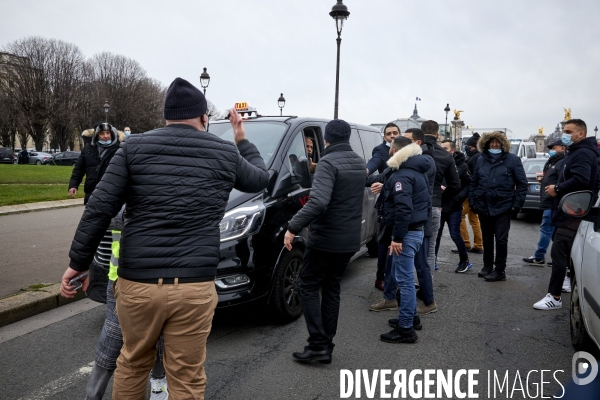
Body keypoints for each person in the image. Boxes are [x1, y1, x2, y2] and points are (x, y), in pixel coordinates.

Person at [60, 77, 269, 399]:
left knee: (132, 364)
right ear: (203, 118)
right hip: (194, 284)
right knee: (186, 375)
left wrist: (77, 263)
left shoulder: (133, 147)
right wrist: (241, 137)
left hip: (137, 283)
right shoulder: (224, 151)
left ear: (166, 118)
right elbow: (260, 179)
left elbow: (99, 209)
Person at [284, 119, 365, 364]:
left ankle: (318, 344)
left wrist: (292, 227)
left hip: (326, 239)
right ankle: (326, 345)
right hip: (349, 239)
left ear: (327, 139)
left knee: (308, 285)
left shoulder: (328, 163)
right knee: (332, 289)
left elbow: (318, 202)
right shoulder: (359, 162)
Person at [84, 208, 167, 400]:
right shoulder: (123, 182)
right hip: (121, 280)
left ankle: (158, 383)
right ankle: (92, 396)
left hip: (160, 278)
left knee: (160, 337)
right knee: (110, 343)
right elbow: (104, 216)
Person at [534, 119, 600, 310]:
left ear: (580, 134)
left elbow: (581, 179)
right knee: (566, 251)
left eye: (568, 131)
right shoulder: (579, 152)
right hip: (572, 208)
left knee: (559, 252)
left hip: (572, 210)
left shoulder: (583, 153)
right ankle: (565, 287)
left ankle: (554, 296)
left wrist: (557, 188)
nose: (565, 134)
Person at [378, 136, 431, 343]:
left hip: (406, 233)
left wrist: (398, 237)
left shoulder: (402, 176)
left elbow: (403, 208)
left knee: (405, 281)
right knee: (406, 278)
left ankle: (406, 328)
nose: (389, 150)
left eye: (391, 148)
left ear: (396, 150)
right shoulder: (417, 171)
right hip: (416, 230)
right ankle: (411, 317)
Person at [468, 132, 528, 282]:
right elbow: (474, 183)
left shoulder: (513, 160)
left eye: (497, 142)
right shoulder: (481, 160)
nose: (494, 145)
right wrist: (473, 201)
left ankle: (500, 270)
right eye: (491, 142)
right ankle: (487, 266)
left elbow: (522, 184)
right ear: (486, 144)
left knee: (501, 240)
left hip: (503, 205)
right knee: (487, 239)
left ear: (503, 144)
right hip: (484, 205)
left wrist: (517, 204)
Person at [421, 120, 460, 306]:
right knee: (430, 249)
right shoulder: (446, 155)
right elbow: (455, 184)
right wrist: (441, 193)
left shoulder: (416, 150)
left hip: (414, 204)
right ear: (438, 135)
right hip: (435, 203)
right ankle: (427, 287)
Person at [403, 128, 436, 311]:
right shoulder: (419, 161)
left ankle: (429, 301)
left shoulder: (424, 162)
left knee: (421, 263)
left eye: (406, 139)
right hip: (417, 216)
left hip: (420, 218)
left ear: (417, 143)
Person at [366, 123, 400, 291]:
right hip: (387, 203)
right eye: (389, 134)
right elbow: (374, 164)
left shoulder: (408, 151)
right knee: (385, 242)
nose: (392, 136)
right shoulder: (380, 150)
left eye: (395, 133)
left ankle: (397, 278)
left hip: (404, 202)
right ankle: (381, 278)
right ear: (384, 136)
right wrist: (365, 171)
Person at [522, 140, 566, 266]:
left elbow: (561, 181)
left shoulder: (561, 162)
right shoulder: (555, 162)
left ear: (562, 148)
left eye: (554, 147)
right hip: (549, 201)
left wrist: (554, 187)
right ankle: (555, 257)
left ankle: (540, 256)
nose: (551, 150)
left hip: (553, 202)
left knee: (547, 229)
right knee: (553, 230)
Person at [436, 140, 473, 273]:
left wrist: (459, 197)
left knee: (455, 234)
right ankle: (432, 260)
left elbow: (470, 184)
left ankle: (465, 261)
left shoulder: (462, 166)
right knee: (436, 235)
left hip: (454, 206)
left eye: (445, 148)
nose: (443, 151)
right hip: (439, 205)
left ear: (453, 150)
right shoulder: (437, 162)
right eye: (441, 148)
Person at [68, 123, 126, 204]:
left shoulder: (119, 148)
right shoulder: (88, 148)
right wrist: (73, 185)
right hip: (92, 192)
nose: (106, 136)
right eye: (102, 133)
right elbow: (79, 169)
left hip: (112, 193)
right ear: (96, 135)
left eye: (108, 133)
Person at [456, 133, 483, 254]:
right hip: (475, 191)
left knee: (460, 216)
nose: (466, 147)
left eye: (468, 146)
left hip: (470, 191)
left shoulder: (475, 157)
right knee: (474, 218)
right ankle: (478, 244)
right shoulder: (478, 156)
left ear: (473, 146)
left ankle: (465, 243)